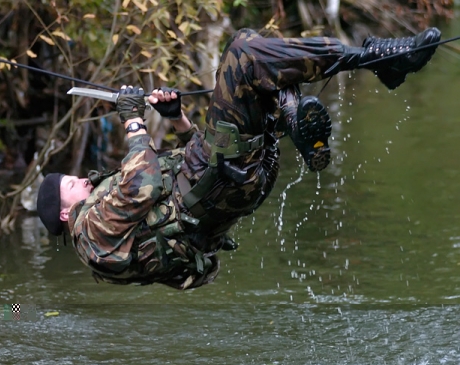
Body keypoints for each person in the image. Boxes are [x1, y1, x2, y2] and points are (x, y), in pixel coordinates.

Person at [37, 26, 441, 289]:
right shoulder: (88, 230)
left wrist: (176, 118)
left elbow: (175, 170)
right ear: (62, 213)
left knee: (256, 54)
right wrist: (132, 121)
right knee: (243, 52)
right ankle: (373, 61)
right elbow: (143, 185)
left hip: (230, 182)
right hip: (218, 184)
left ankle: (290, 115)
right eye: (72, 185)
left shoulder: (101, 222)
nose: (83, 182)